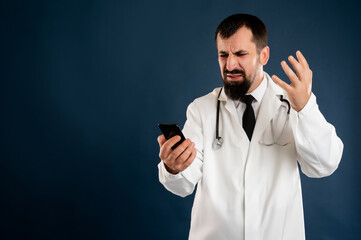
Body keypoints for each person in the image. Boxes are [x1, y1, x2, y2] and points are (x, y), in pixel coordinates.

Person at [157, 14, 343, 240]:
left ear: (263, 55)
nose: (230, 64)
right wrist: (174, 167)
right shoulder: (201, 109)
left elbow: (325, 164)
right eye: (223, 55)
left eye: (240, 54)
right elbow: (183, 185)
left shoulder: (293, 103)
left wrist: (305, 108)